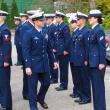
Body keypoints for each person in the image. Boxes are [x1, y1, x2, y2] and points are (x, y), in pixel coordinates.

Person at [22, 12, 58, 110]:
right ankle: (33, 107)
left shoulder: (44, 32)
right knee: (32, 88)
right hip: (33, 65)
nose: (43, 22)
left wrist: (54, 61)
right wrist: (27, 66)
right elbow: (25, 51)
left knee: (47, 83)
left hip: (44, 64)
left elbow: (49, 49)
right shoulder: (28, 33)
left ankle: (40, 98)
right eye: (41, 20)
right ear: (34, 21)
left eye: (43, 20)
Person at [86, 9, 106, 110]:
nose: (89, 19)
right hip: (92, 63)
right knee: (94, 88)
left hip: (98, 64)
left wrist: (102, 62)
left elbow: (102, 48)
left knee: (98, 89)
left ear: (96, 19)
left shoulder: (99, 30)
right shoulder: (93, 30)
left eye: (91, 17)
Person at [73, 12, 91, 104]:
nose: (76, 21)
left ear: (83, 20)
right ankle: (81, 96)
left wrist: (86, 59)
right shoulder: (79, 31)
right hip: (77, 59)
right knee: (79, 79)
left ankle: (87, 97)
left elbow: (87, 48)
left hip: (83, 60)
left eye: (78, 19)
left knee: (85, 79)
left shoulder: (86, 31)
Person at [54, 11, 71, 91]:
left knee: (64, 68)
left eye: (57, 17)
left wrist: (66, 50)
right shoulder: (58, 26)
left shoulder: (64, 27)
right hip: (59, 50)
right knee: (61, 67)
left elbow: (67, 39)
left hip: (64, 51)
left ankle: (64, 85)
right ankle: (62, 83)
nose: (55, 19)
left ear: (60, 17)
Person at [0, 10, 12, 110]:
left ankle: (6, 105)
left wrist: (6, 60)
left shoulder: (4, 30)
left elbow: (7, 46)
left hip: (3, 61)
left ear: (1, 17)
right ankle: (2, 102)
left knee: (4, 83)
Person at [45, 13, 58, 84]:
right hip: (49, 48)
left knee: (54, 63)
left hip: (53, 48)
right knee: (50, 63)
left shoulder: (53, 27)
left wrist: (55, 48)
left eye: (47, 19)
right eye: (46, 19)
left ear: (51, 19)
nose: (46, 20)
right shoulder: (48, 27)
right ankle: (52, 77)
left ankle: (55, 78)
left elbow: (56, 39)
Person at [69, 17, 80, 98]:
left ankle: (78, 92)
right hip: (72, 58)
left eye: (73, 23)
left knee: (77, 76)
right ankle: (75, 91)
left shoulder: (78, 32)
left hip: (76, 58)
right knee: (74, 76)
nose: (71, 24)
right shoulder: (73, 33)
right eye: (71, 23)